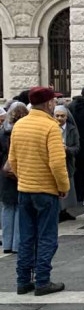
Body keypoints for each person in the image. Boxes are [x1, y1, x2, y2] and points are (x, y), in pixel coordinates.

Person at [8, 86, 69, 297]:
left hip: (25, 189)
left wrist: (24, 178)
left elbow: (13, 160)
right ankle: (43, 281)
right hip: (46, 190)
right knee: (47, 237)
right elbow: (57, 163)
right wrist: (63, 187)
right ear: (49, 103)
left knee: (26, 237)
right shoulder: (50, 127)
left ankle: (23, 281)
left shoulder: (19, 125)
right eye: (54, 101)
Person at [0, 102, 28, 253]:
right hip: (23, 170)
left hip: (5, 172)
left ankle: (6, 244)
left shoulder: (3, 131)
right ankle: (17, 244)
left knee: (7, 207)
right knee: (19, 207)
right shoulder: (26, 131)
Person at [54, 104, 80, 221]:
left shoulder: (72, 129)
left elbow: (77, 148)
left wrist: (67, 149)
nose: (59, 118)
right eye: (57, 116)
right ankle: (57, 211)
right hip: (54, 162)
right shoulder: (51, 127)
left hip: (67, 162)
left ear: (66, 117)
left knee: (67, 187)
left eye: (62, 116)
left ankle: (64, 210)